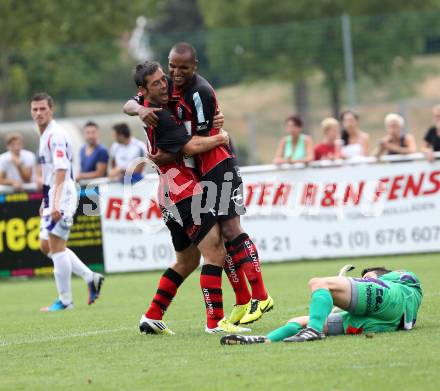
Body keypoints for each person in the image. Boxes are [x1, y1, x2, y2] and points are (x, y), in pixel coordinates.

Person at [123, 43, 273, 326]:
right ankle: (219, 319)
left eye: (167, 76)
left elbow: (131, 105)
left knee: (187, 260)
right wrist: (220, 137)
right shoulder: (161, 115)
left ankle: (152, 316)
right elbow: (190, 145)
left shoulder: (163, 99)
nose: (168, 81)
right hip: (185, 189)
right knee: (217, 246)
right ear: (145, 90)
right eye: (159, 81)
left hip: (170, 191)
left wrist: (138, 110)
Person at [31, 92, 104, 312]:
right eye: (35, 109)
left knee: (56, 245)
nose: (38, 113)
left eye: (43, 108)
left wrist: (54, 202)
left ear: (51, 110)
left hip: (63, 195)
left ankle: (65, 300)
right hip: (53, 193)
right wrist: (46, 198)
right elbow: (50, 172)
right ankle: (90, 276)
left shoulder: (56, 135)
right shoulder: (44, 136)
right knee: (47, 245)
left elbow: (62, 170)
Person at [220, 266, 422, 345]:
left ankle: (314, 331)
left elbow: (409, 281)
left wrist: (370, 279)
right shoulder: (406, 292)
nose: (363, 280)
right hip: (380, 323)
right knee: (299, 321)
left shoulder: (398, 279)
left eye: (367, 278)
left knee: (318, 282)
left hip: (390, 303)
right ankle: (266, 340)